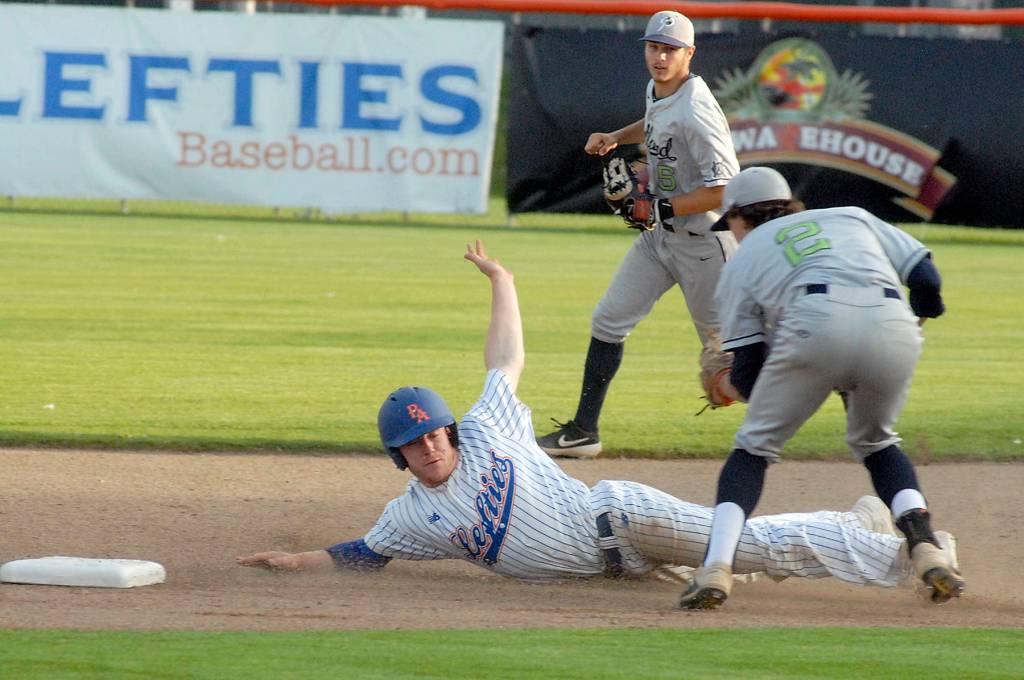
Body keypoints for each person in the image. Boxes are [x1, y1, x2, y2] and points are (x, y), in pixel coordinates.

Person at [236, 241, 952, 598]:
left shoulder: (487, 428)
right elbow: (362, 553)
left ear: (449, 428)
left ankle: (912, 555)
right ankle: (861, 523)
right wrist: (294, 560)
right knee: (750, 548)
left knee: (743, 556)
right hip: (622, 571)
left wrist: (505, 283)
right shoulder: (410, 518)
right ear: (398, 457)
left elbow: (505, 358)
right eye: (413, 443)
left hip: (620, 518)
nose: (429, 445)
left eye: (433, 431)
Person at [678, 167, 966, 610]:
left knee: (753, 449)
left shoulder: (744, 260)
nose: (730, 233)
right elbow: (927, 282)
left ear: (739, 216)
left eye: (729, 223)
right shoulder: (852, 217)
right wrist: (915, 320)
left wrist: (725, 387)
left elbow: (751, 376)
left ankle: (715, 567)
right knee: (877, 443)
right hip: (893, 326)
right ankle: (925, 546)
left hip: (812, 326)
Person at [535, 10, 742, 459]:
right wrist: (615, 136)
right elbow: (653, 125)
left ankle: (809, 378)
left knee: (727, 363)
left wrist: (661, 204)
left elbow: (726, 189)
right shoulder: (660, 89)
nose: (660, 56)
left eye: (670, 49)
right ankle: (584, 431)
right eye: (654, 47)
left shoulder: (697, 110)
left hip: (706, 247)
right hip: (660, 237)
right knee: (608, 321)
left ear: (690, 53)